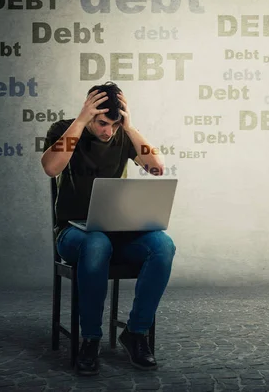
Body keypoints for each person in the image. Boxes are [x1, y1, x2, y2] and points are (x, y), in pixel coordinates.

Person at [41, 81, 176, 375]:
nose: (108, 131)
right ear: (90, 114)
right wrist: (80, 121)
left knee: (163, 245)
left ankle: (136, 332)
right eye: (102, 123)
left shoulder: (122, 135)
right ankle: (90, 338)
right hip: (72, 233)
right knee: (96, 243)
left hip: (117, 231)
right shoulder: (65, 129)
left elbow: (157, 167)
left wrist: (129, 128)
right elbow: (51, 168)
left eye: (114, 125)